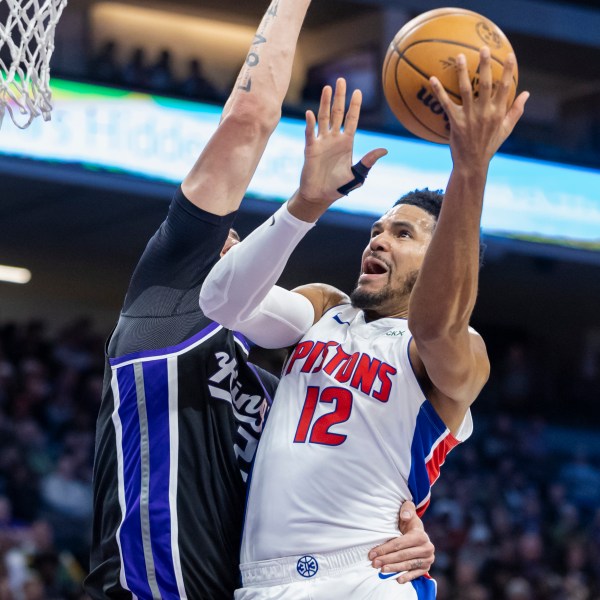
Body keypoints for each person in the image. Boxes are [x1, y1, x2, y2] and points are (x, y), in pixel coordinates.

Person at [84, 1, 434, 598]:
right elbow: (250, 117)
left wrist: (409, 527)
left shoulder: (290, 373)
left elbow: (334, 472)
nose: (230, 234)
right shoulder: (167, 293)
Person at [200, 47, 529, 599]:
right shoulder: (326, 309)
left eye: (404, 234)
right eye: (377, 229)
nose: (378, 239)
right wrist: (307, 203)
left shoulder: (455, 349)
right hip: (262, 583)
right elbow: (225, 304)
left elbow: (435, 325)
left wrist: (469, 171)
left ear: (444, 255)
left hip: (367, 576)